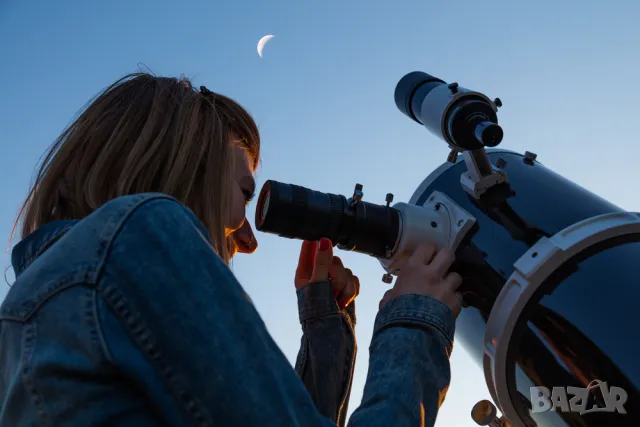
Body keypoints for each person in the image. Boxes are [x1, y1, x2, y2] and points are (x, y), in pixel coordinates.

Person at [0, 73, 463, 427]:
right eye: (245, 194)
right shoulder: (144, 230)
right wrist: (415, 321)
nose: (248, 239)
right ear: (185, 166)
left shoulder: (31, 322)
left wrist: (327, 328)